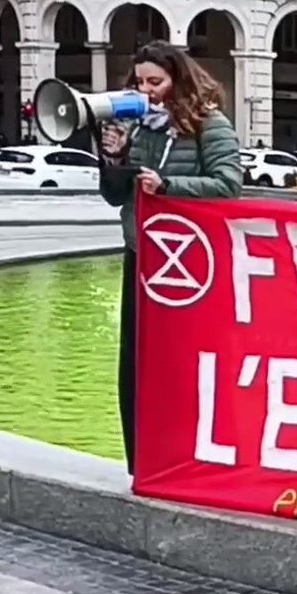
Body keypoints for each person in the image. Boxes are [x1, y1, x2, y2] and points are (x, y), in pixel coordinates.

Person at [98, 41, 244, 474]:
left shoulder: (209, 123)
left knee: (184, 362)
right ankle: (142, 460)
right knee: (136, 362)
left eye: (156, 81)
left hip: (189, 263)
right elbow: (115, 197)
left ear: (178, 80)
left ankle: (194, 457)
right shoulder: (135, 126)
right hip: (141, 254)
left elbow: (228, 185)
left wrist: (169, 187)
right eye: (140, 81)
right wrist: (115, 157)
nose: (147, 90)